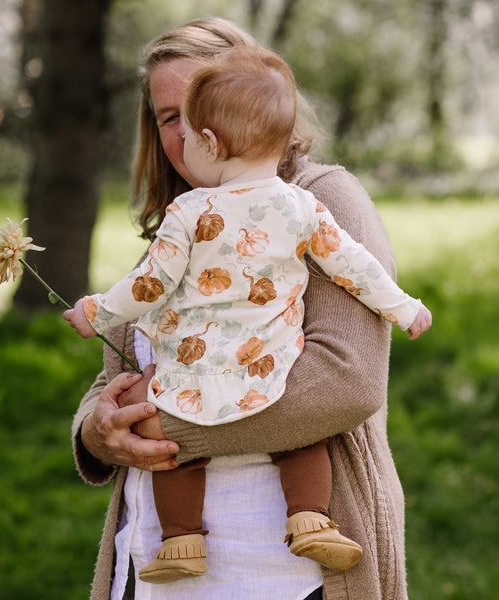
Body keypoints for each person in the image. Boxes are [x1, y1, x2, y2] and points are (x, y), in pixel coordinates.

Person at [72, 16, 416, 600]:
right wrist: (95, 432)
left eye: (199, 107)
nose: (190, 134)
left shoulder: (319, 200)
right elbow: (121, 373)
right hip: (152, 565)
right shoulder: (182, 224)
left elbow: (347, 380)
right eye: (168, 117)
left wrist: (172, 425)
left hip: (280, 574)